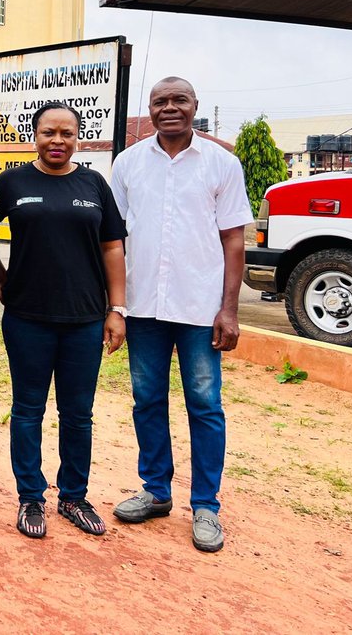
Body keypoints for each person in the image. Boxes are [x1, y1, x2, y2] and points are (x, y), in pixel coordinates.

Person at [109, 76, 252, 553]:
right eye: (160, 102)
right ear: (149, 110)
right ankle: (155, 491)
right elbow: (116, 241)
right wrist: (118, 306)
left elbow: (235, 240)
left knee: (204, 406)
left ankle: (206, 505)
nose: (170, 108)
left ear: (195, 106)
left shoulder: (221, 164)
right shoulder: (127, 164)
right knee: (147, 400)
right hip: (145, 306)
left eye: (179, 100)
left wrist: (228, 311)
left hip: (199, 308)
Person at [0, 102, 127, 539]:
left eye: (67, 134)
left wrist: (116, 309)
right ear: (35, 134)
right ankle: (30, 497)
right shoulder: (11, 182)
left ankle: (73, 496)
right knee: (28, 411)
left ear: (78, 138)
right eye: (49, 132)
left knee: (78, 414)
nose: (58, 141)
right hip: (27, 318)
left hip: (85, 320)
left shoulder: (93, 184)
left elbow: (112, 248)